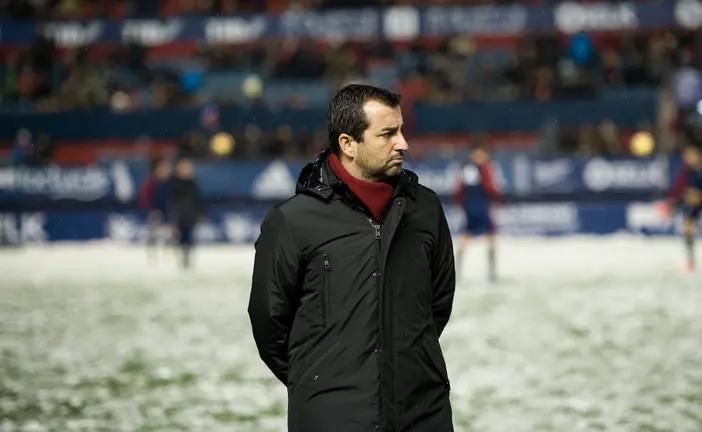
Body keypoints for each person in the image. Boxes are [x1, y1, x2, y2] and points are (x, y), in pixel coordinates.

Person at [249, 84, 456, 432]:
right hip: (331, 416)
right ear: (348, 144)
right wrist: (318, 380)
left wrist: (408, 364)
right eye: (388, 134)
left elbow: (438, 304)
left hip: (422, 411)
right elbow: (270, 323)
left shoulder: (426, 209)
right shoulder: (293, 221)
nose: (402, 143)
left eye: (401, 131)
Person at [664, 145, 702, 271]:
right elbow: (678, 190)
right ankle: (690, 260)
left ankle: (693, 259)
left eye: (691, 155)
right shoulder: (686, 172)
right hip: (691, 203)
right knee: (688, 228)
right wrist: (683, 195)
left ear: (698, 156)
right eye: (687, 156)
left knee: (689, 225)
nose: (689, 159)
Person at [453, 143, 503, 282]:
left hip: (470, 207)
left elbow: (459, 189)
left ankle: (457, 270)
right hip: (480, 206)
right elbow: (489, 187)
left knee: (466, 237)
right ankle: (492, 273)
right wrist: (498, 199)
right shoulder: (483, 168)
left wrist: (460, 203)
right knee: (490, 237)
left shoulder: (465, 168)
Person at [169, 159, 204, 269]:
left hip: (190, 214)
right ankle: (181, 257)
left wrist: (199, 213)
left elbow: (198, 199)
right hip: (179, 215)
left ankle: (187, 258)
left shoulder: (193, 183)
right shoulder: (174, 182)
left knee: (189, 236)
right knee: (180, 237)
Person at [138, 157, 171, 263]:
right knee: (153, 234)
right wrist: (149, 207)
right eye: (162, 168)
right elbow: (144, 196)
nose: (165, 170)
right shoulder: (152, 181)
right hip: (154, 211)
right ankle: (152, 256)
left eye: (166, 168)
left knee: (168, 234)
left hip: (168, 212)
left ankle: (167, 255)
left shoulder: (171, 182)